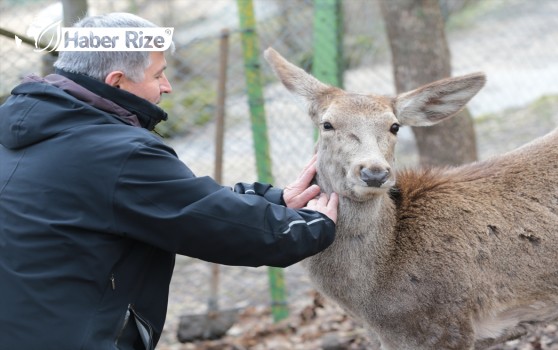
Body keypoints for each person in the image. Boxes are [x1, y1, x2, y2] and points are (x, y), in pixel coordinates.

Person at [0, 12, 338, 350]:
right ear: (116, 82)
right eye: (158, 75)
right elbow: (217, 225)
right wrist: (312, 226)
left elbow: (179, 200)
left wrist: (276, 201)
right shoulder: (117, 152)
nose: (167, 86)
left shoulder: (21, 126)